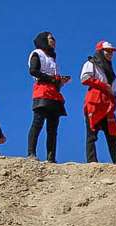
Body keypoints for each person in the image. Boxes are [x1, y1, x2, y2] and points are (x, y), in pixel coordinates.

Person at [27, 32, 69, 162]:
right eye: (51, 38)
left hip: (54, 94)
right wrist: (52, 79)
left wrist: (60, 81)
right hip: (42, 92)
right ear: (44, 40)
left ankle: (51, 158)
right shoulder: (37, 53)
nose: (54, 41)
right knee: (37, 123)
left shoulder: (52, 58)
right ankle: (31, 153)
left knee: (52, 128)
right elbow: (33, 71)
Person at [81, 41, 116, 164]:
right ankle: (92, 160)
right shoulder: (91, 63)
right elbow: (84, 78)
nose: (110, 53)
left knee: (112, 134)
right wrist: (103, 85)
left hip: (107, 105)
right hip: (95, 102)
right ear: (100, 51)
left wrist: (114, 99)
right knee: (92, 133)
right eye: (107, 51)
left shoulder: (111, 70)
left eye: (111, 52)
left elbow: (112, 89)